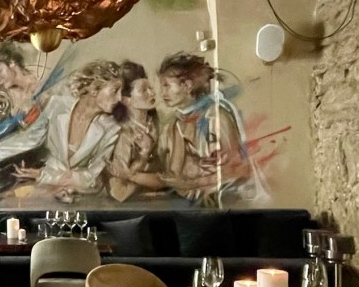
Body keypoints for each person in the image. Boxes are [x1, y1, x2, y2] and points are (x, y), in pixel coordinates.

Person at [0, 60, 124, 201]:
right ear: (94, 89)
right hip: (44, 192)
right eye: (115, 91)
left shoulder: (111, 128)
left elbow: (92, 177)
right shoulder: (57, 105)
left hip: (82, 197)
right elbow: (29, 139)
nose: (119, 98)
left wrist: (43, 175)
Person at [156, 52, 254, 205]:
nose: (162, 93)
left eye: (167, 85)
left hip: (225, 200)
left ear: (188, 85)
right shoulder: (178, 123)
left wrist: (190, 182)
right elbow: (175, 173)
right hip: (193, 200)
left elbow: (238, 169)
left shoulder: (216, 117)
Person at [106, 61, 165, 201]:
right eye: (143, 90)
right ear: (126, 100)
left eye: (150, 88)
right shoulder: (121, 132)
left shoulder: (157, 122)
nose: (152, 93)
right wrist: (144, 154)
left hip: (158, 196)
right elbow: (119, 189)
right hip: (128, 201)